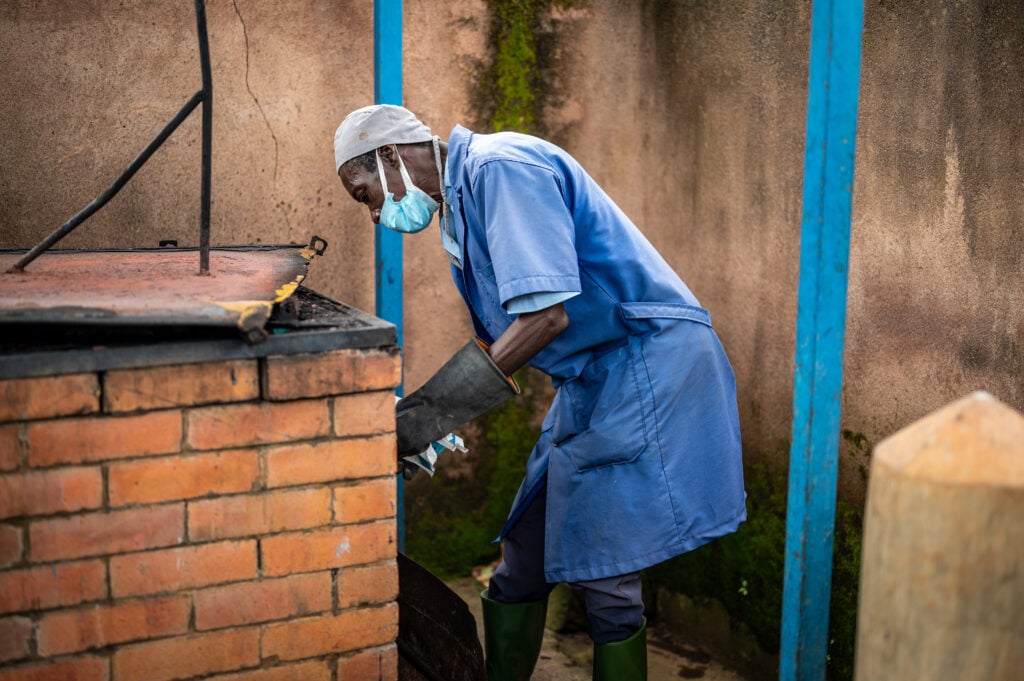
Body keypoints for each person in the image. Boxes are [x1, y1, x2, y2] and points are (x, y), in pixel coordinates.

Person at [334, 104, 746, 681]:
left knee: (607, 568)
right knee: (524, 547)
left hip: (646, 361)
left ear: (387, 154)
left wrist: (424, 417)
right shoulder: (462, 211)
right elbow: (513, 339)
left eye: (365, 195)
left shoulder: (501, 168)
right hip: (590, 377)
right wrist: (430, 424)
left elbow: (544, 319)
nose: (376, 213)